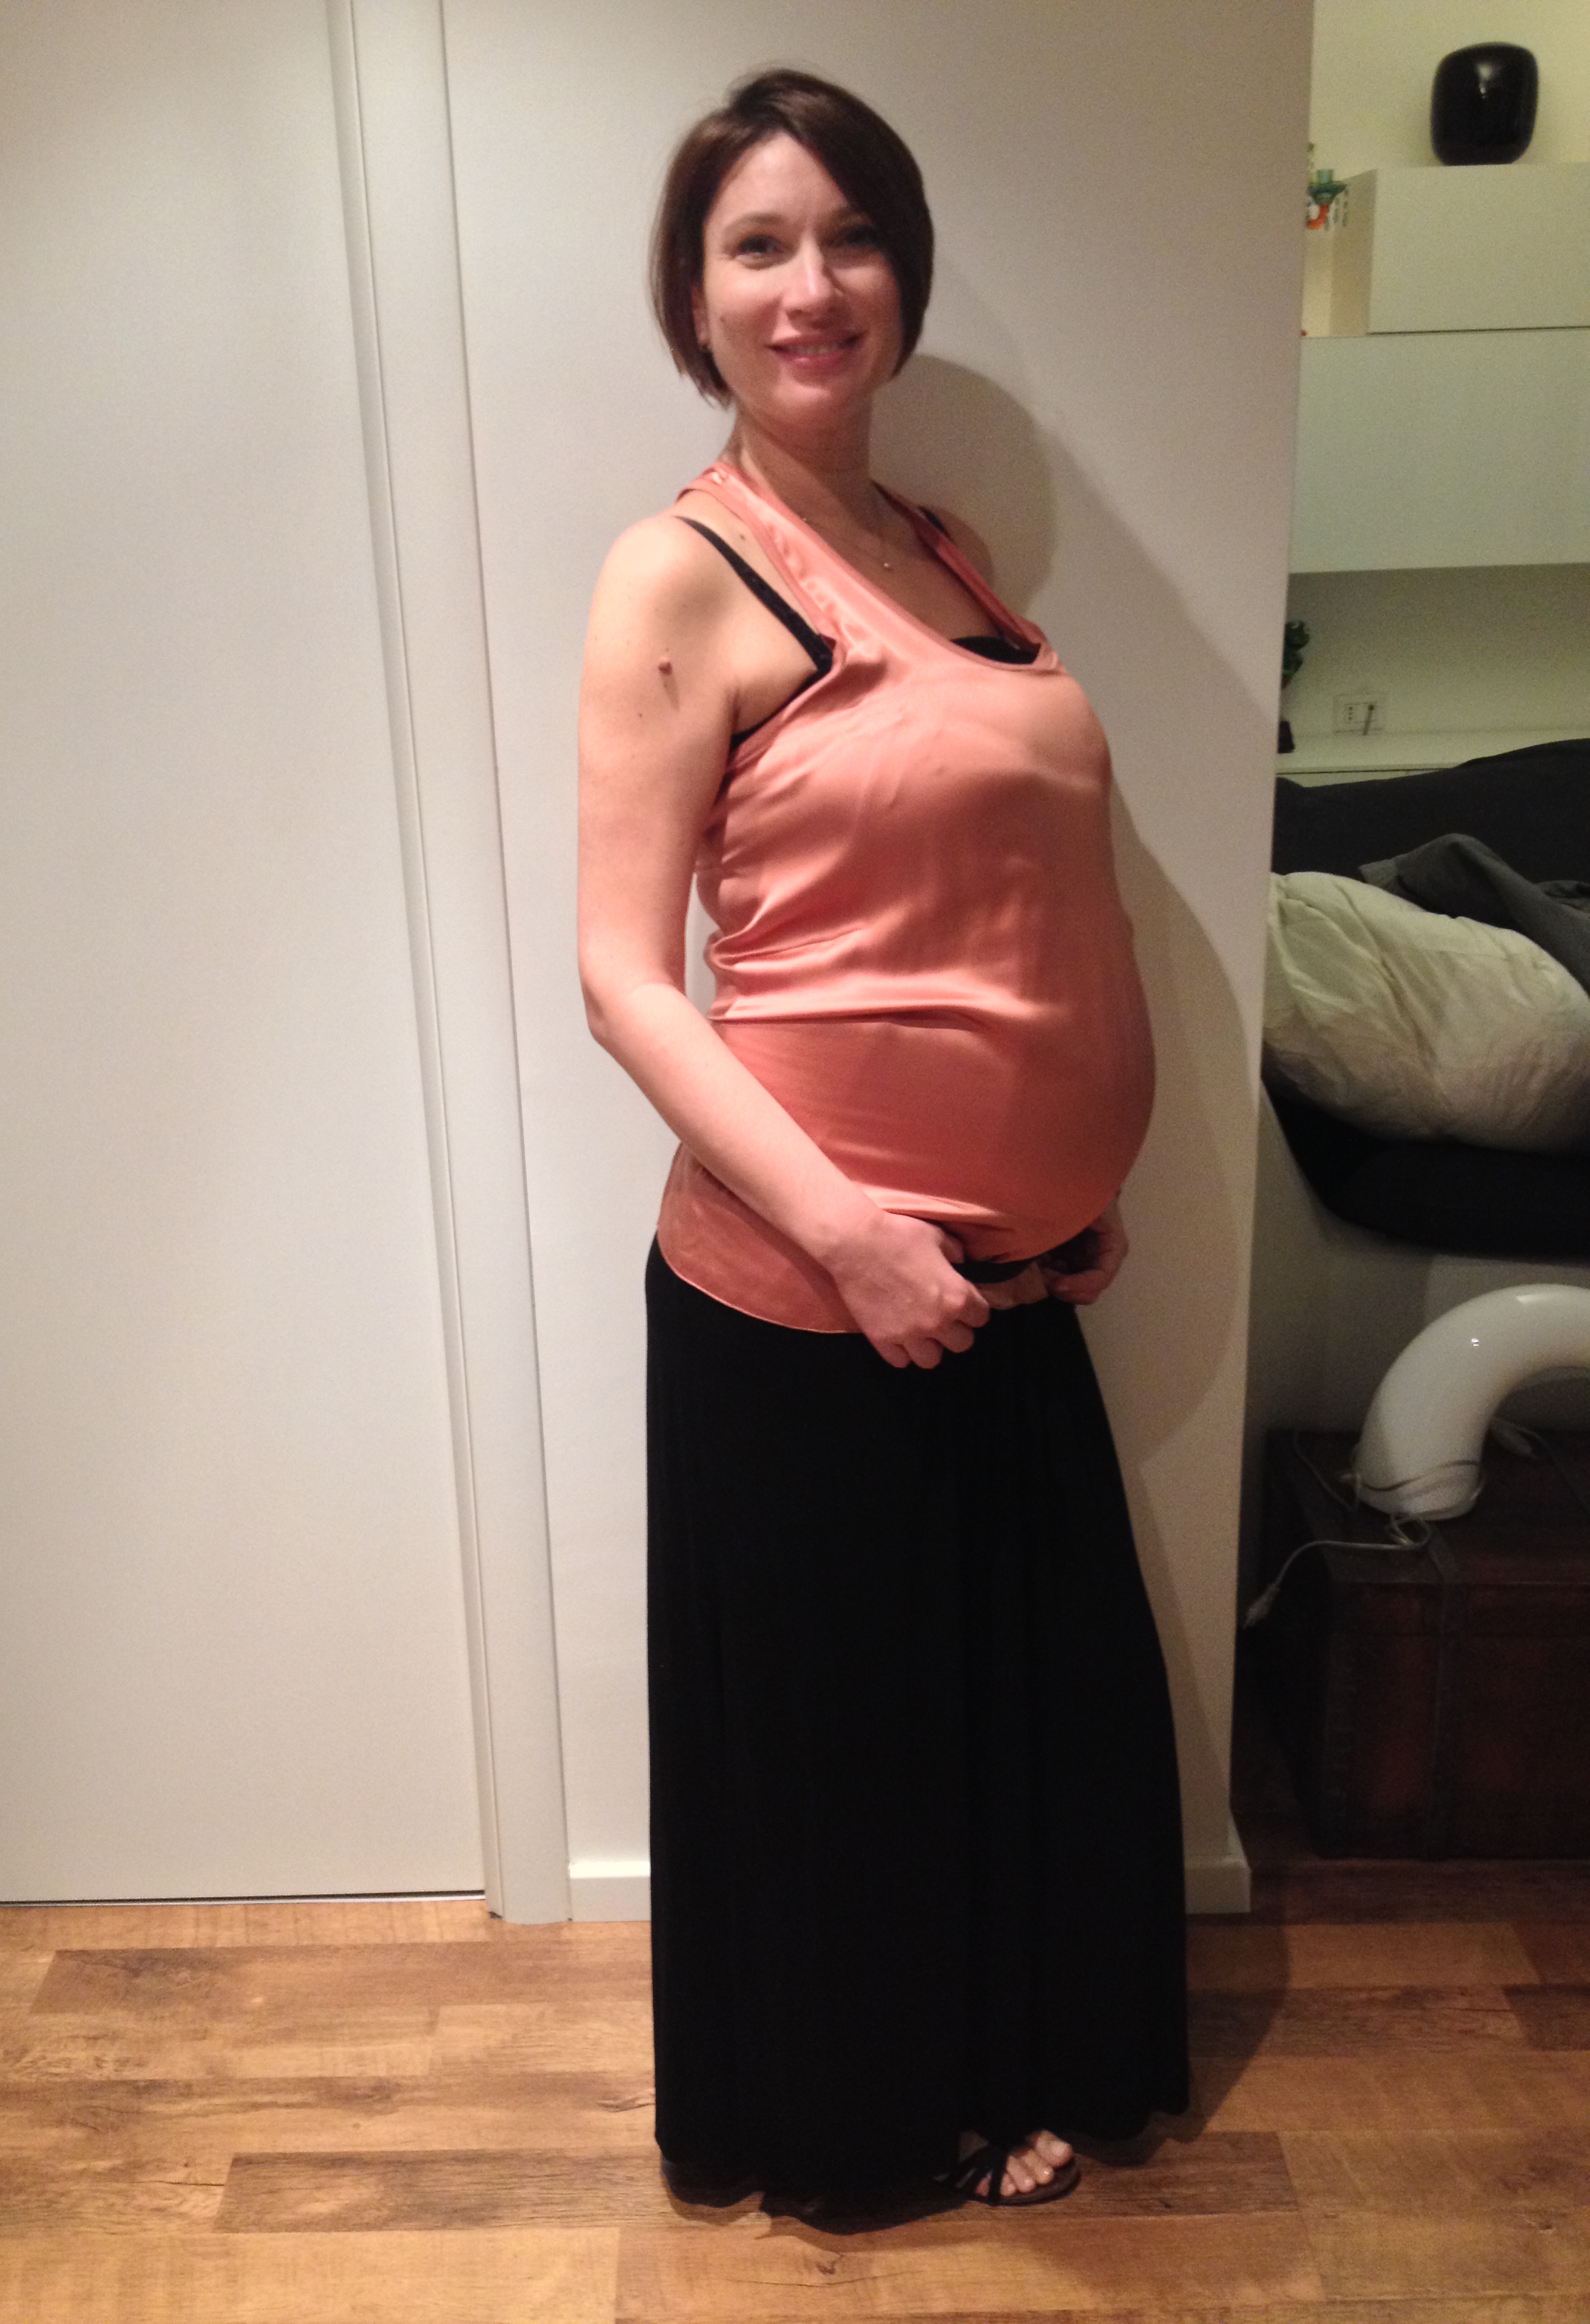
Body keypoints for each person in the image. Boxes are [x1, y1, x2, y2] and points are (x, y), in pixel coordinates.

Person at [577, 66, 1189, 2222]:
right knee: (853, 1751)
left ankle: (1005, 2059)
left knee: (1010, 1720)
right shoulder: (673, 576)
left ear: (904, 279)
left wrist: (1073, 1178)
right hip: (808, 1288)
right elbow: (626, 979)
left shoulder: (946, 553)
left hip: (1014, 1278)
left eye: (849, 238)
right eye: (757, 245)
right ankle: (874, 2118)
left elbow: (1013, 899)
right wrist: (852, 1236)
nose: (809, 284)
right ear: (695, 299)